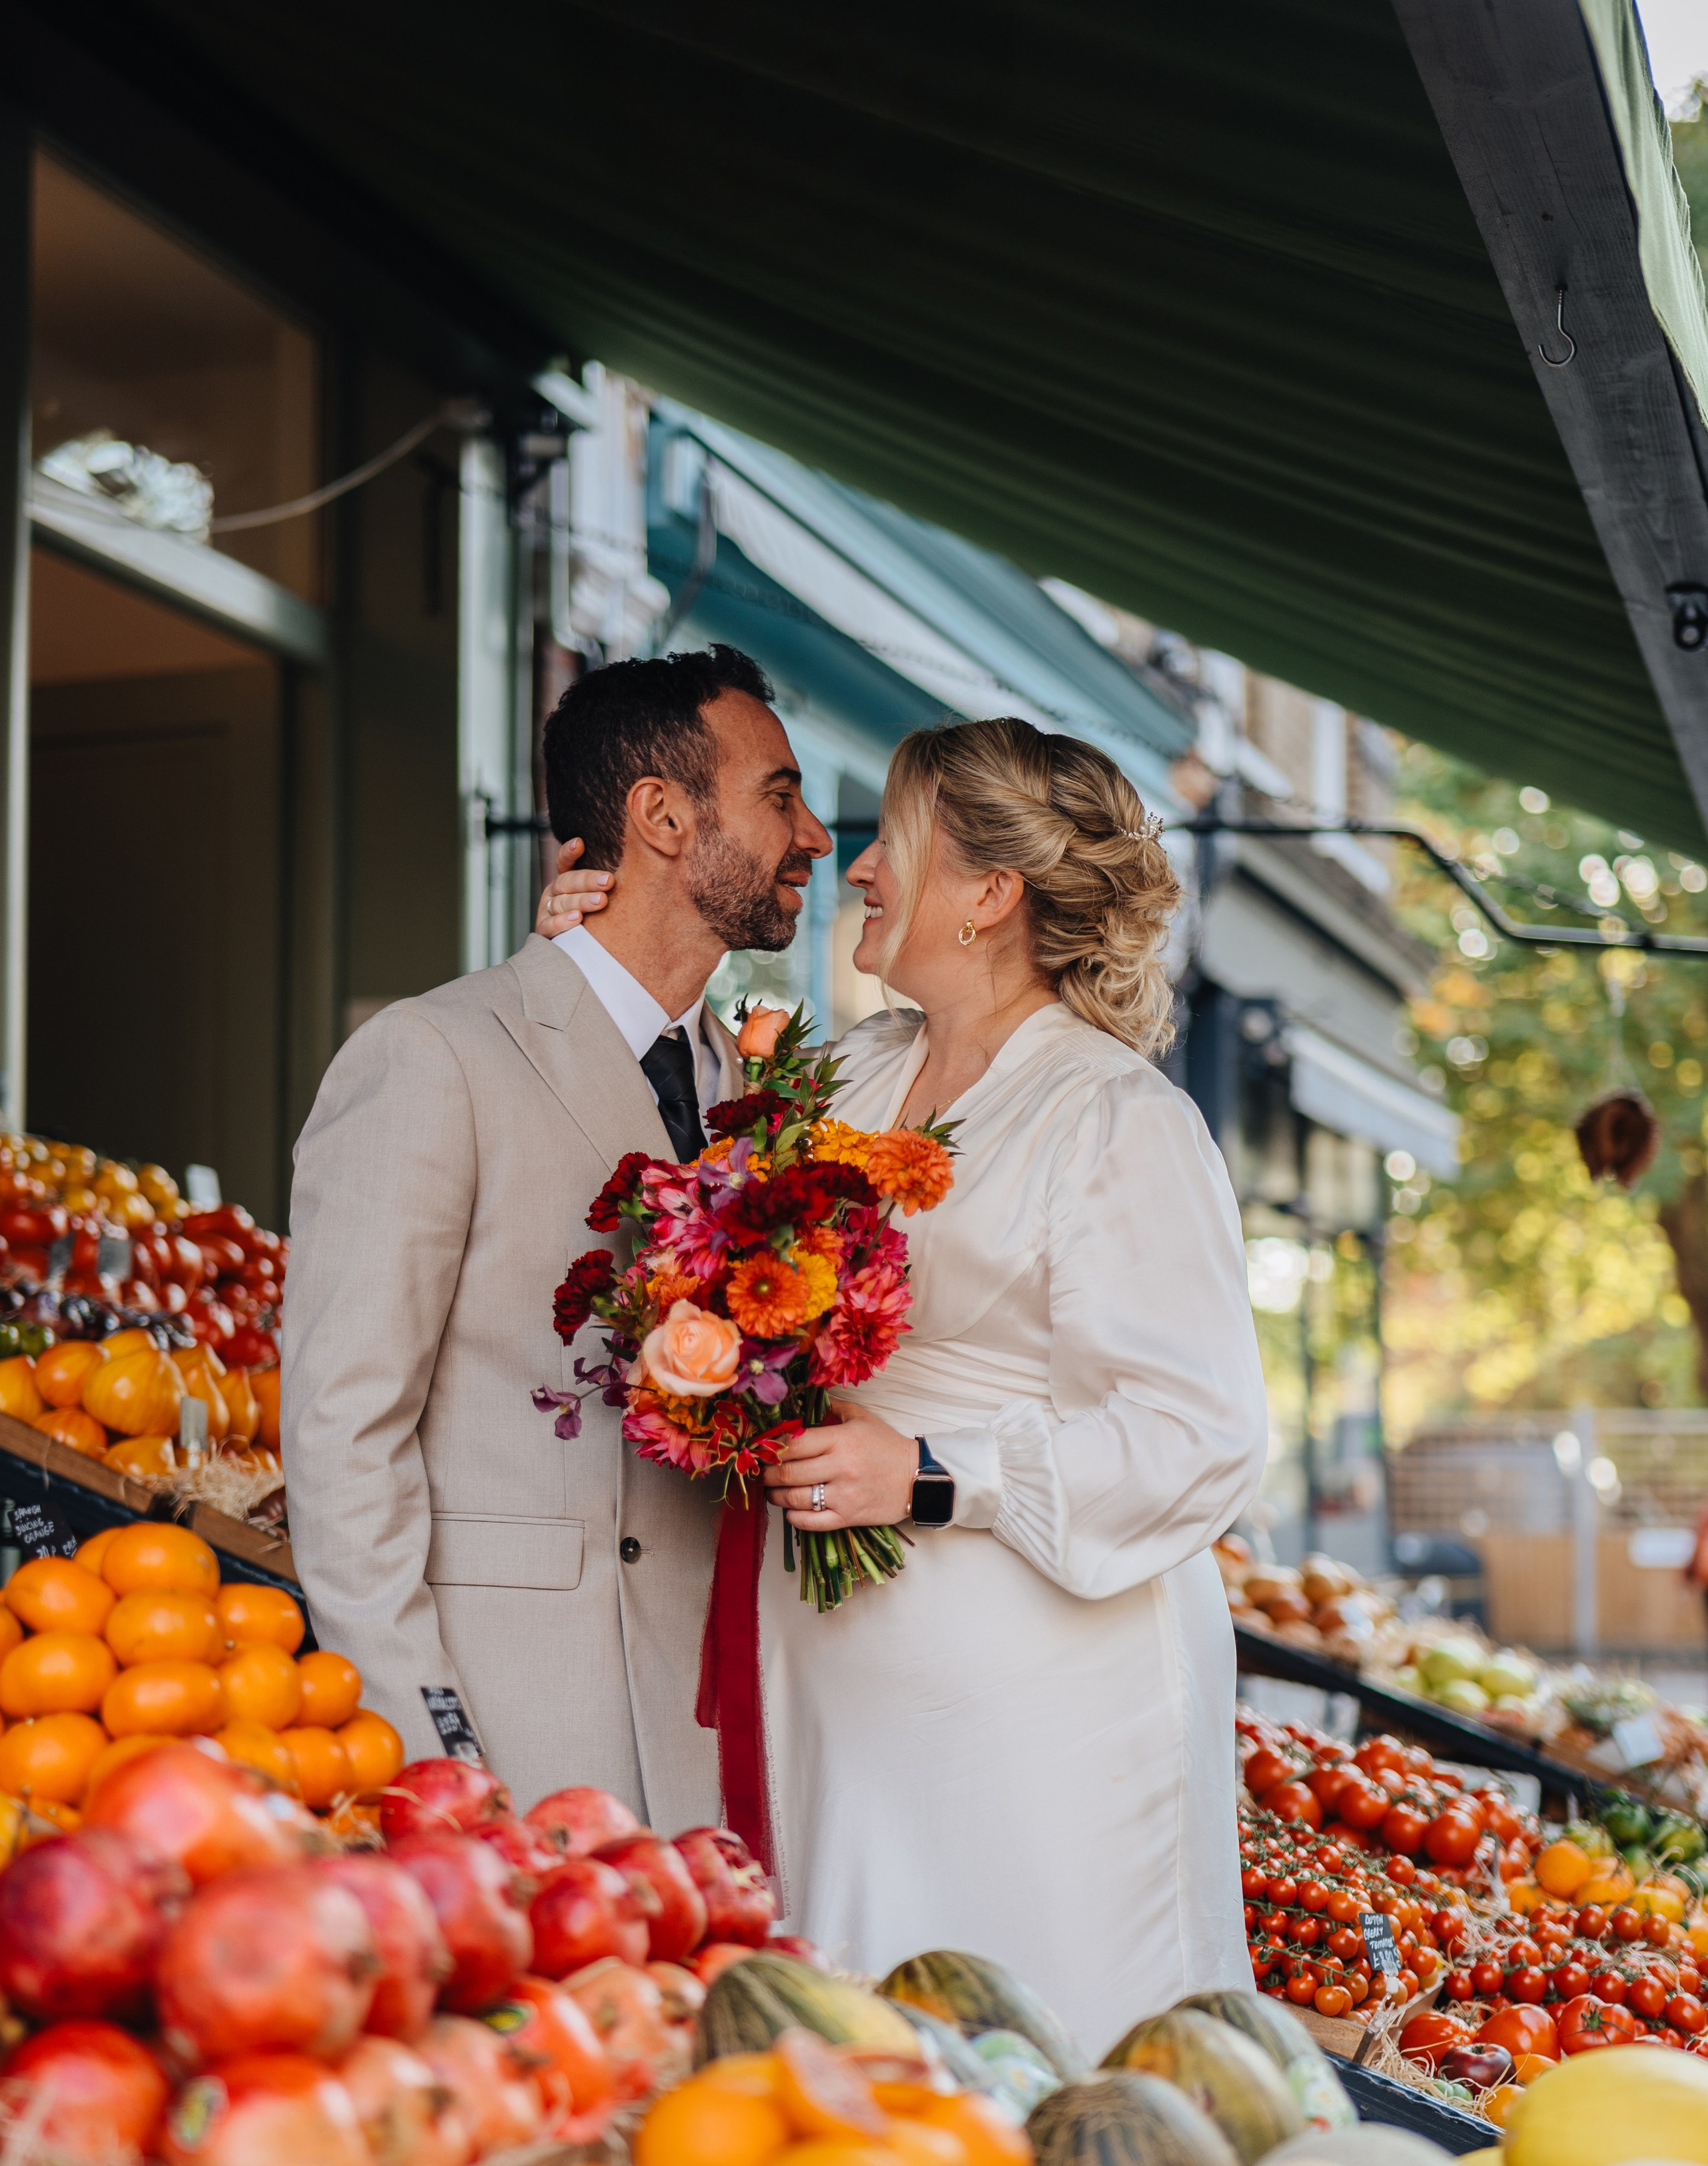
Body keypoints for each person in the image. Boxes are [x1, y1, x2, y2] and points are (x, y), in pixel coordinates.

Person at [755, 718, 1268, 2053]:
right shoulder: (853, 1074)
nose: (858, 869)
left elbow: (1198, 1437)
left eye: (894, 842)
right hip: (838, 1673)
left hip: (1041, 1696)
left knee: (1037, 2053)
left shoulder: (1114, 1119)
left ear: (989, 894)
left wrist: (933, 1474)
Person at [282, 644, 831, 1814]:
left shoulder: (756, 1087)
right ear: (662, 816)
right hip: (514, 1725)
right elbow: (343, 1436)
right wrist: (427, 1747)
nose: (817, 838)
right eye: (780, 796)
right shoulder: (433, 1057)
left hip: (721, 1741)